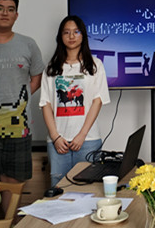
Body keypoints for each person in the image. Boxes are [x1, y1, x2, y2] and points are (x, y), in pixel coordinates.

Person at [0, 0, 44, 213]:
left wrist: (20, 99)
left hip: (19, 127)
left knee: (13, 180)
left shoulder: (28, 45)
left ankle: (8, 223)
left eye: (10, 9)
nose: (5, 13)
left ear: (16, 15)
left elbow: (37, 77)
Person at [39, 15, 110, 188]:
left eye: (76, 32)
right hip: (58, 142)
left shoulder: (95, 65)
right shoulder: (51, 67)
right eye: (66, 32)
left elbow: (98, 101)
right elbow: (45, 104)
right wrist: (55, 137)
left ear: (83, 35)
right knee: (58, 188)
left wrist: (82, 135)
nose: (71, 36)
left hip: (88, 139)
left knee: (88, 189)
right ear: (60, 36)